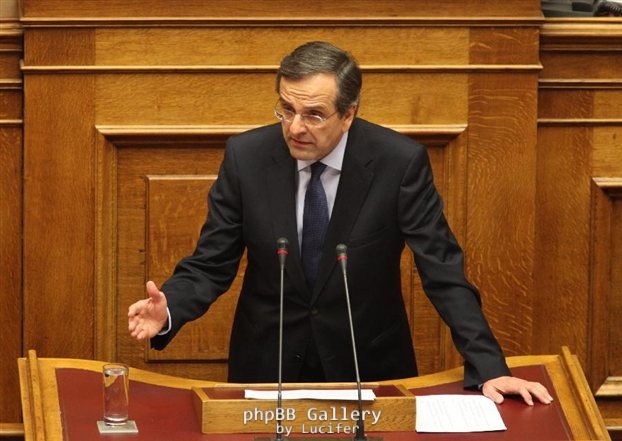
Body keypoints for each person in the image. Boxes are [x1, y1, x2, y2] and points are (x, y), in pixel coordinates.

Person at [128, 41, 553, 406]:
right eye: (286, 109)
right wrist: (170, 309)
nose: (295, 127)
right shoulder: (247, 157)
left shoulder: (398, 163)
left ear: (348, 114)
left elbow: (442, 271)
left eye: (314, 115)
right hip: (268, 367)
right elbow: (211, 263)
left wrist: (489, 367)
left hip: (368, 366)